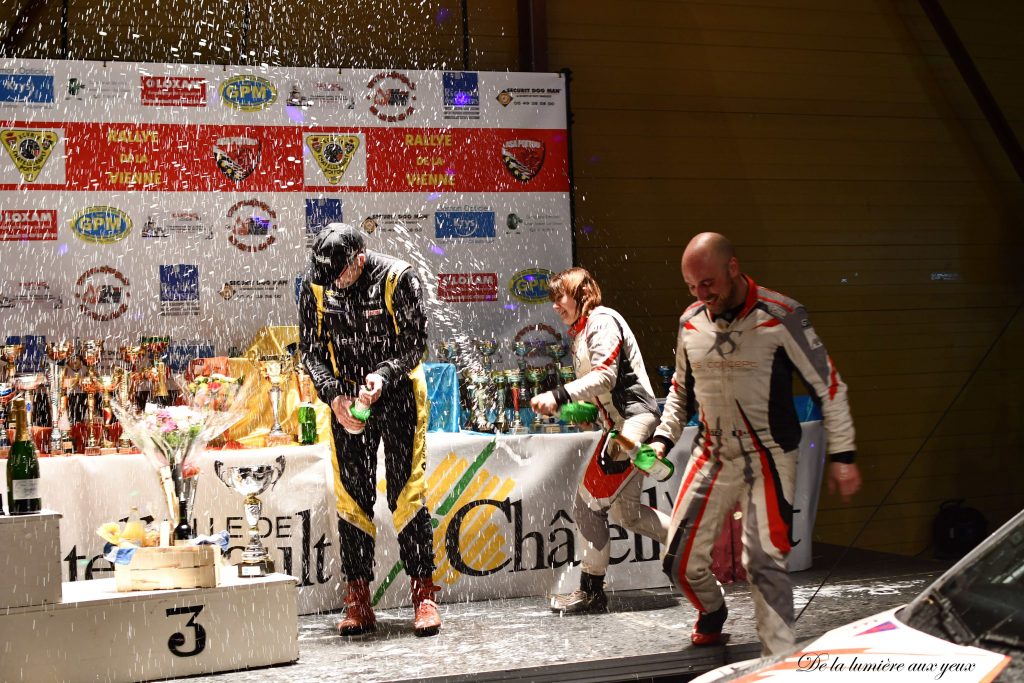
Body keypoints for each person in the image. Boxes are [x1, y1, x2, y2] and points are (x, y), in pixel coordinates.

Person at [650, 232, 862, 655]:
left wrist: (843, 454)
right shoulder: (690, 320)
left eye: (707, 283)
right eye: (692, 287)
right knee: (677, 561)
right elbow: (679, 390)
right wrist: (661, 438)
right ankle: (712, 611)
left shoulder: (782, 314)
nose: (701, 294)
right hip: (711, 453)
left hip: (769, 455)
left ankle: (779, 660)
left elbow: (829, 386)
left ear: (733, 267)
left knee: (764, 564)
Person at [298, 223, 441, 637]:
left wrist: (382, 375)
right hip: (346, 402)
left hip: (397, 396)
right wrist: (333, 396)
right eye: (329, 279)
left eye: (342, 275)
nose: (335, 285)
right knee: (351, 496)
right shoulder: (319, 285)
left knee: (406, 493)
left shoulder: (399, 278)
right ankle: (358, 600)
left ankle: (423, 595)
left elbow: (415, 346)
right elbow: (310, 350)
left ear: (361, 258)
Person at [531, 267, 670, 614]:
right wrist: (571, 413)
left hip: (632, 423)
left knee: (587, 507)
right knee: (629, 516)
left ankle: (591, 591)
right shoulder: (582, 334)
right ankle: (687, 537)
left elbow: (605, 377)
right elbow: (600, 399)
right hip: (621, 425)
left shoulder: (602, 320)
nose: (555, 306)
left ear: (581, 294)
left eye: (559, 297)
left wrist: (560, 396)